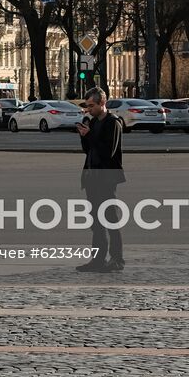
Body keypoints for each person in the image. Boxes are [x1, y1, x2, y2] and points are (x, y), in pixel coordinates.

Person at [76, 88, 125, 273]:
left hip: (106, 178)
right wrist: (84, 136)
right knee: (96, 222)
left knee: (110, 219)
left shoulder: (113, 123)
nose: (88, 109)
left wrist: (90, 135)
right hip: (92, 177)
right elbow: (89, 150)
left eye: (91, 106)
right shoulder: (94, 122)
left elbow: (108, 152)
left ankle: (117, 259)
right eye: (87, 106)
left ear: (102, 103)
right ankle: (98, 259)